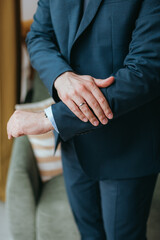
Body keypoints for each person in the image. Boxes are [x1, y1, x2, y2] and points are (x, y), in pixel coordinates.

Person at [7, 0, 160, 239]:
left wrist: (51, 119)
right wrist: (61, 76)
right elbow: (38, 36)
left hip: (127, 145)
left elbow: (145, 72)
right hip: (73, 147)